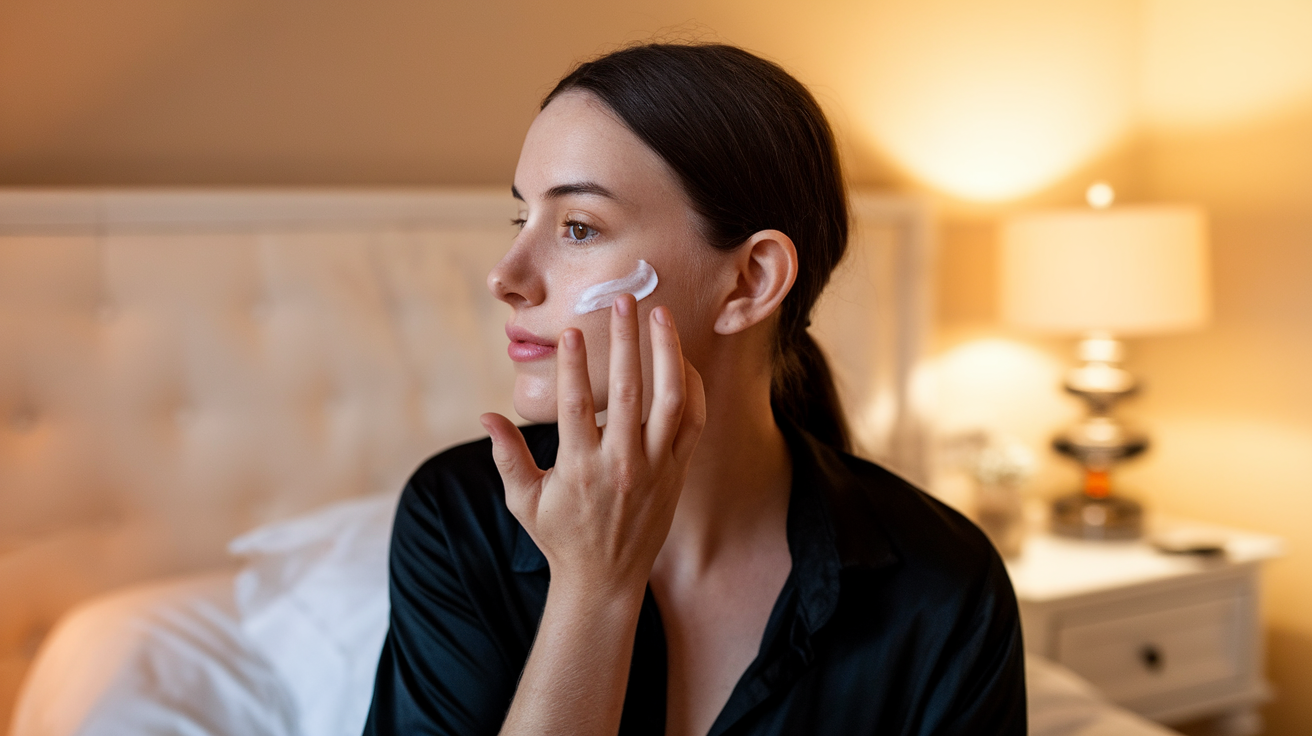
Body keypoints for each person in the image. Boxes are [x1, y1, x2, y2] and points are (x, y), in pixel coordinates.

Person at [363, 43, 1026, 736]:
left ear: (749, 281)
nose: (506, 276)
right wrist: (594, 591)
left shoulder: (946, 586)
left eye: (578, 227)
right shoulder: (455, 520)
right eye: (519, 219)